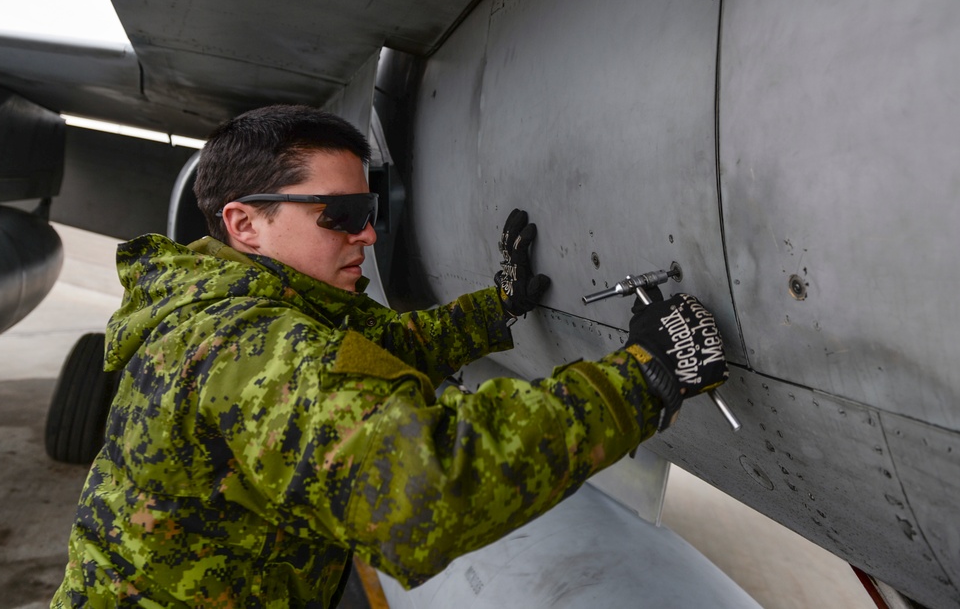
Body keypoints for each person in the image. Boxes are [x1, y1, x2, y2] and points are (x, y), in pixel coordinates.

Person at [52, 104, 729, 608]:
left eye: (368, 207)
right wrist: (645, 375)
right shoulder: (248, 347)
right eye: (340, 213)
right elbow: (425, 488)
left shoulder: (230, 303)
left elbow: (372, 353)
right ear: (245, 223)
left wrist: (496, 306)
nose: (369, 232)